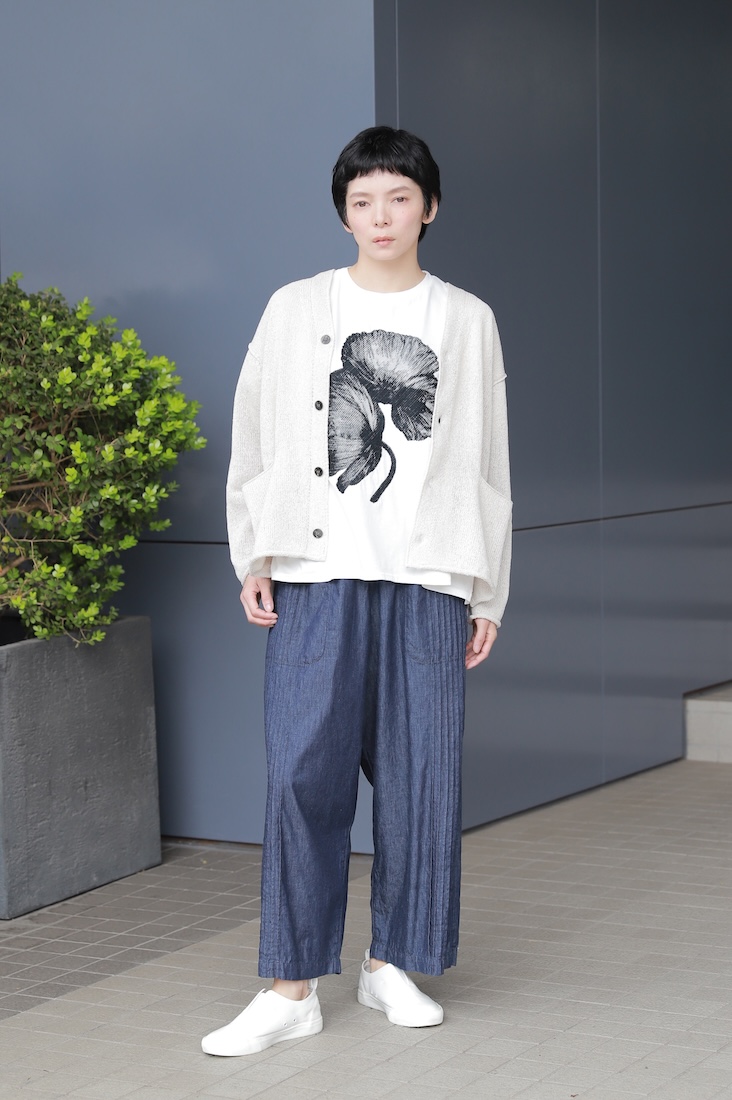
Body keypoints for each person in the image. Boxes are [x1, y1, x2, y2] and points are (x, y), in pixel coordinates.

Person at [202, 126, 511, 1057]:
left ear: (430, 207)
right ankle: (290, 986)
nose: (381, 217)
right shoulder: (296, 307)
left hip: (428, 580)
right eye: (363, 201)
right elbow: (253, 432)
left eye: (399, 198)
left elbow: (488, 460)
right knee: (303, 775)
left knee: (421, 780)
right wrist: (253, 553)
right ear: (344, 213)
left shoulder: (467, 318)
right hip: (316, 574)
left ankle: (392, 965)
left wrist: (486, 588)